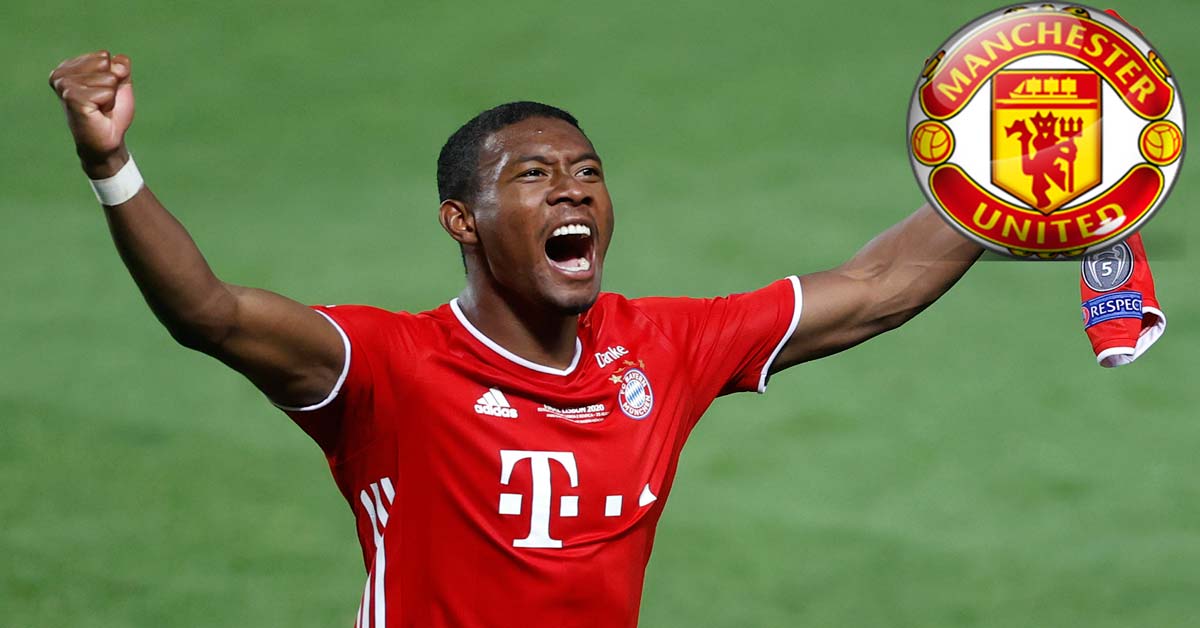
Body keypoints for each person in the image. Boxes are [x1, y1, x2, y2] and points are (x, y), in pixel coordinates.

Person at [49, 50, 982, 627]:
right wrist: (111, 164)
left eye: (588, 172)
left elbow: (876, 289)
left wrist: (999, 184)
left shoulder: (662, 345)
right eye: (533, 175)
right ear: (462, 221)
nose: (572, 188)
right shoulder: (388, 366)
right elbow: (209, 312)